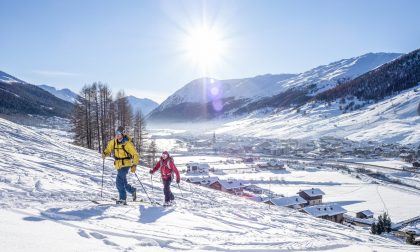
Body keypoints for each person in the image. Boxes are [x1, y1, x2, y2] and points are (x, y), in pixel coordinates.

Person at [102, 126, 139, 205]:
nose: (117, 135)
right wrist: (105, 153)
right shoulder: (114, 142)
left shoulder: (127, 143)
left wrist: (134, 164)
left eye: (119, 133)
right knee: (123, 183)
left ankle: (122, 199)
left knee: (119, 181)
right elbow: (108, 149)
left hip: (126, 164)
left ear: (123, 134)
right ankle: (133, 190)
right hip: (118, 165)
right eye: (116, 133)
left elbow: (135, 154)